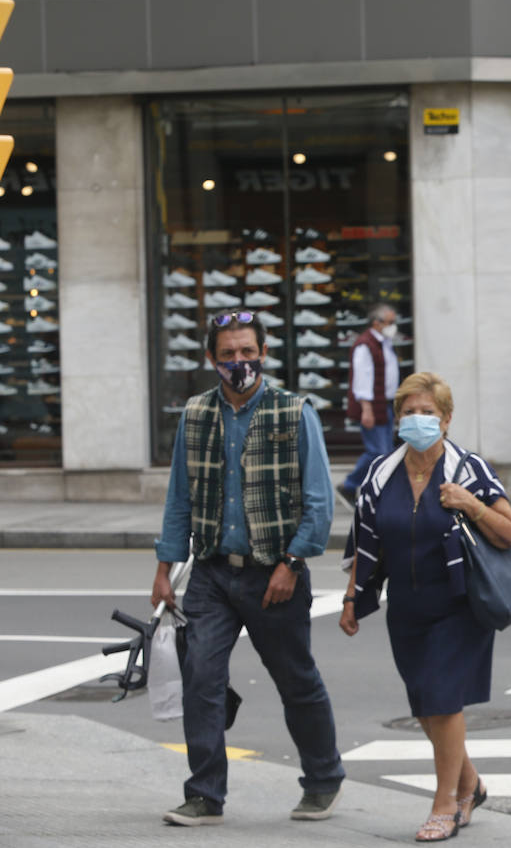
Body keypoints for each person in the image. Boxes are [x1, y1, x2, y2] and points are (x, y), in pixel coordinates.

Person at [151, 310, 344, 827]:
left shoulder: (293, 410)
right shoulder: (195, 415)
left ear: (263, 353)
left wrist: (293, 561)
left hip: (274, 572)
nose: (240, 362)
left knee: (295, 679)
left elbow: (319, 500)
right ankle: (204, 795)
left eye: (247, 352)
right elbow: (179, 497)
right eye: (228, 354)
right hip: (212, 570)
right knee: (201, 679)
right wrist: (164, 567)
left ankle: (324, 780)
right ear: (211, 359)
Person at [340, 372, 511, 841]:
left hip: (459, 603)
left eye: (428, 413)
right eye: (409, 412)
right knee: (424, 706)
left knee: (442, 701)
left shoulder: (467, 469)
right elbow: (364, 543)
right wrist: (351, 601)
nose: (418, 420)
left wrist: (470, 504)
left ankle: (447, 804)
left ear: (446, 419)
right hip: (407, 607)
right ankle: (470, 783)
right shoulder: (381, 474)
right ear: (397, 419)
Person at [339, 303, 401, 502]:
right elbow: (362, 379)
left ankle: (378, 491)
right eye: (390, 322)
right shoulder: (365, 344)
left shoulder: (383, 342)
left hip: (385, 404)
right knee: (378, 452)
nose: (393, 326)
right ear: (376, 322)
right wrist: (366, 409)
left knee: (386, 452)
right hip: (373, 406)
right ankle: (349, 485)